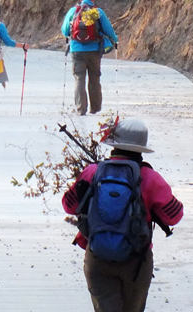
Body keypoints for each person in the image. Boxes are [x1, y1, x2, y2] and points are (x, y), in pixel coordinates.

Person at [62, 117, 184, 312]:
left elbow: (68, 206)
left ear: (114, 145)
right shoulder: (150, 178)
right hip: (136, 262)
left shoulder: (93, 171)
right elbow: (174, 216)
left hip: (97, 256)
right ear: (141, 148)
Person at [61, 0, 118, 115]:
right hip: (95, 50)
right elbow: (108, 30)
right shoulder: (98, 12)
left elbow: (65, 30)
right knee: (94, 79)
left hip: (76, 50)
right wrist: (115, 39)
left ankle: (81, 109)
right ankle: (95, 109)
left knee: (79, 78)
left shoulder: (73, 11)